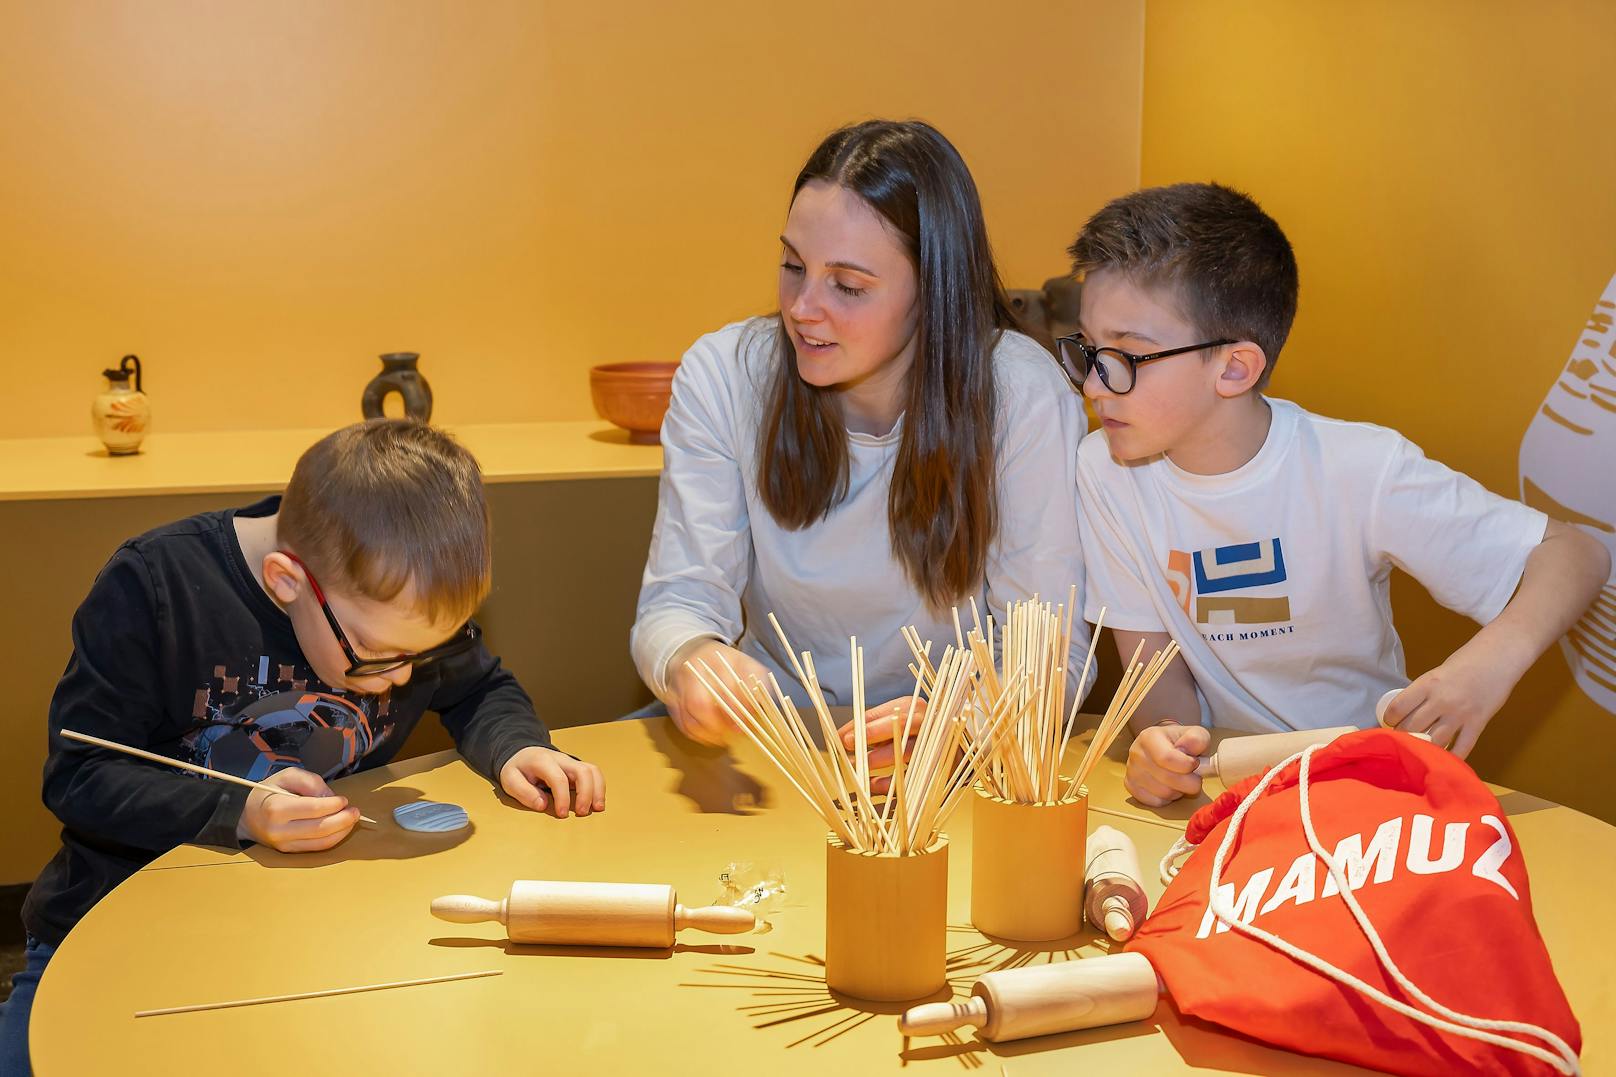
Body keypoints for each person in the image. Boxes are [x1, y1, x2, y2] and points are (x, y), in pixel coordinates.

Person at [0, 420, 604, 1075]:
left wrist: (518, 747)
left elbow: (479, 685)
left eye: (423, 651)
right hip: (109, 928)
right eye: (378, 656)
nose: (404, 676)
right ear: (288, 580)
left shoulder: (387, 604)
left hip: (303, 933)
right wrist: (242, 811)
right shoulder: (154, 588)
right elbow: (81, 775)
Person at [1062, 182, 1609, 807]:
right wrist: (1163, 749)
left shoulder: (1358, 468)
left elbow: (1577, 555)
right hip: (1228, 798)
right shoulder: (1105, 469)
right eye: (1088, 350)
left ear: (1235, 368)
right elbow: (1155, 683)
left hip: (1367, 793)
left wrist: (1483, 669)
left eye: (1127, 355)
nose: (1095, 385)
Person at [631, 119, 1091, 762]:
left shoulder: (1020, 393)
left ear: (933, 290)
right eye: (793, 266)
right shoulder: (727, 374)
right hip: (774, 741)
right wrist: (692, 658)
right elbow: (677, 602)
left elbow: (1049, 657)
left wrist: (962, 723)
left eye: (848, 286)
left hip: (952, 752)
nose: (801, 307)